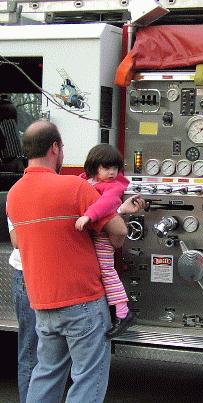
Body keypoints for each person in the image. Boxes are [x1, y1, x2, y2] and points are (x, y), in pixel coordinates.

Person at [7, 120, 145, 403]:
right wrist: (123, 213)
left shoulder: (14, 194)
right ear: (55, 148)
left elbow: (19, 242)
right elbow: (118, 232)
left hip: (43, 302)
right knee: (88, 378)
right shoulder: (74, 187)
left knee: (46, 373)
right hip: (83, 301)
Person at [75, 144, 134, 339]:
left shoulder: (113, 187)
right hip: (93, 234)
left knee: (107, 271)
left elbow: (106, 203)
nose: (111, 172)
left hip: (102, 236)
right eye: (106, 167)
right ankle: (111, 310)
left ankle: (123, 313)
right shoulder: (86, 181)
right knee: (97, 272)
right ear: (93, 167)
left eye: (115, 168)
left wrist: (88, 217)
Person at [7, 219, 38, 403]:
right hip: (29, 274)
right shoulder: (17, 194)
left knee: (53, 355)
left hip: (56, 274)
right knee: (30, 350)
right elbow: (18, 240)